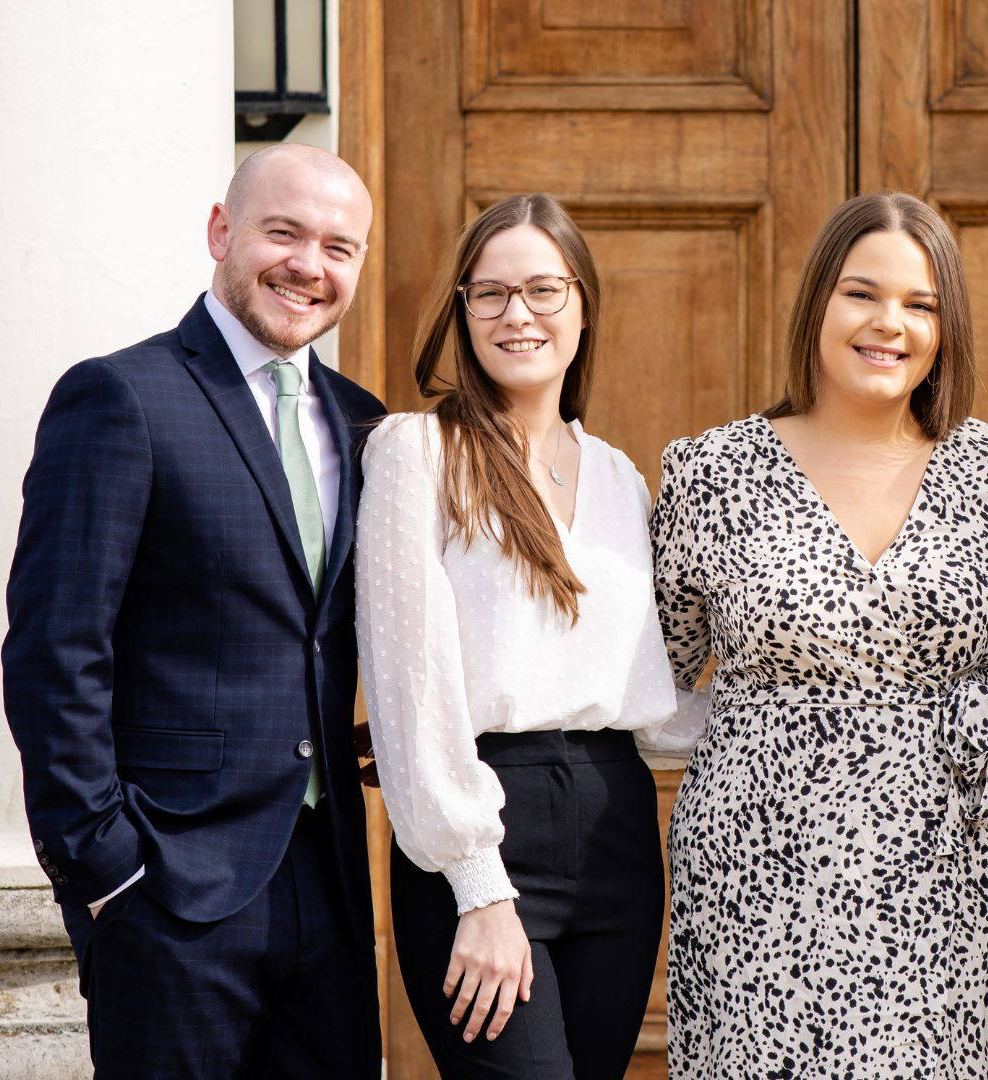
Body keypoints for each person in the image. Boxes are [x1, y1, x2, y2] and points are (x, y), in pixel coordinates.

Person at [2, 144, 385, 1077]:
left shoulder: (366, 420)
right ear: (222, 231)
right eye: (283, 232)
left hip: (328, 885)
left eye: (339, 246)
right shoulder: (122, 396)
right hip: (165, 889)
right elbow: (56, 649)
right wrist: (104, 869)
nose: (310, 265)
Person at [649, 192, 988, 1077]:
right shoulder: (714, 472)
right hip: (763, 873)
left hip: (956, 867)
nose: (889, 324)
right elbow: (658, 678)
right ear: (818, 304)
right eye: (862, 294)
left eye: (921, 304)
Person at [357, 193, 685, 1078]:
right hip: (485, 824)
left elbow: (653, 702)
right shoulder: (415, 454)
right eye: (490, 293)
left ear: (583, 304)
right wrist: (479, 888)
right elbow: (409, 683)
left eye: (544, 289)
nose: (518, 315)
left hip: (619, 830)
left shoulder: (620, 476)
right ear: (462, 311)